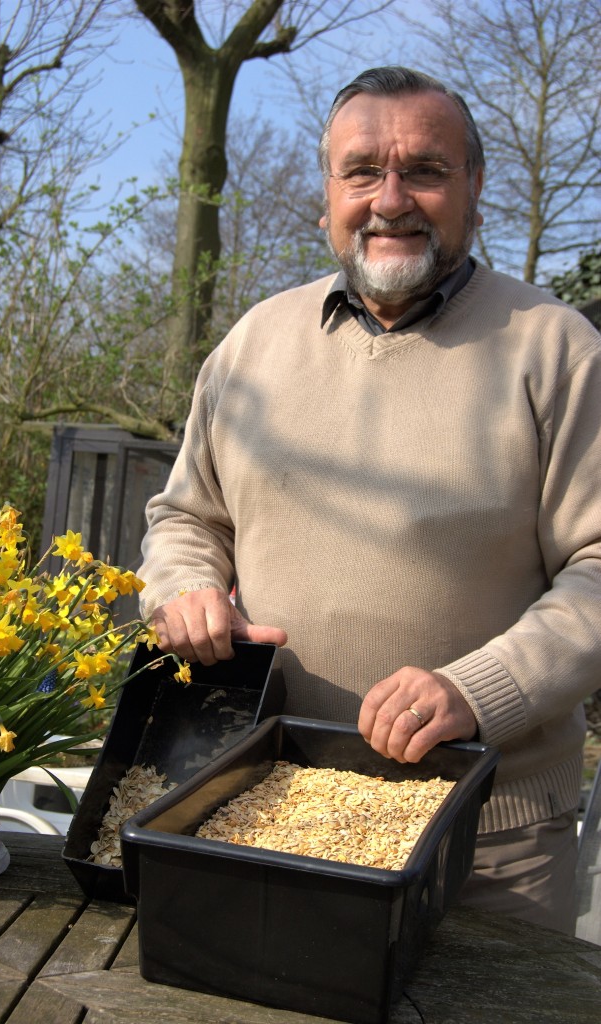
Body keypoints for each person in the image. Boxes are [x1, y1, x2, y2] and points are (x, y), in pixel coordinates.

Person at [137, 66, 601, 935]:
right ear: (326, 196)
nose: (390, 199)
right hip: (265, 809)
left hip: (486, 840)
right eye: (361, 172)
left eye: (424, 169)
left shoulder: (556, 350)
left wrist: (480, 689)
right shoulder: (252, 346)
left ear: (473, 188)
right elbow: (186, 517)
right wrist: (184, 588)